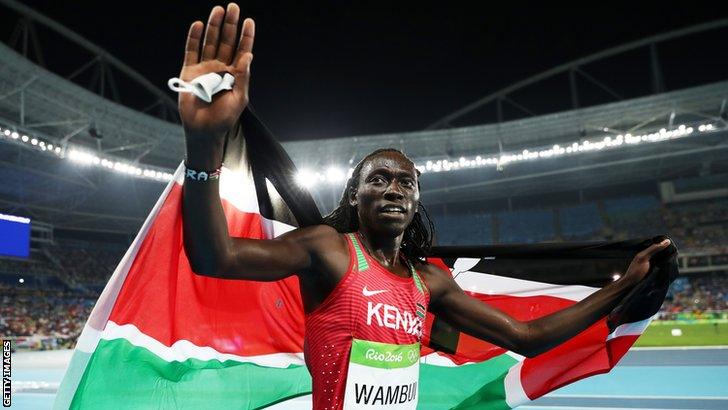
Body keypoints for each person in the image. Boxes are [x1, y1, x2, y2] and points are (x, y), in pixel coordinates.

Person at [179, 4, 672, 409]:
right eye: (379, 179)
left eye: (405, 182)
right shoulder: (328, 249)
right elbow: (215, 257)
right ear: (355, 194)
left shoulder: (427, 280)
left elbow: (526, 336)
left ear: (416, 201)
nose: (394, 189)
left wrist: (626, 285)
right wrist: (204, 147)